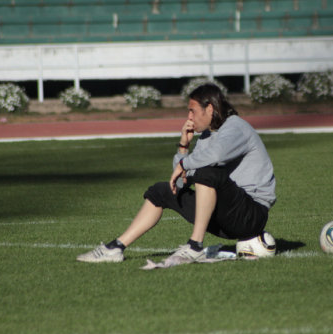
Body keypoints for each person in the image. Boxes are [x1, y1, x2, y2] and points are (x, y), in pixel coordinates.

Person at [76, 83, 276, 263]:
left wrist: (185, 164)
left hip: (251, 215)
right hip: (224, 218)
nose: (189, 117)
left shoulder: (236, 127)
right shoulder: (206, 136)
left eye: (192, 111)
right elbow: (180, 182)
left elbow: (215, 156)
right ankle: (116, 248)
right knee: (162, 191)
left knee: (207, 173)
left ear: (210, 109)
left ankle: (194, 246)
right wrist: (183, 147)